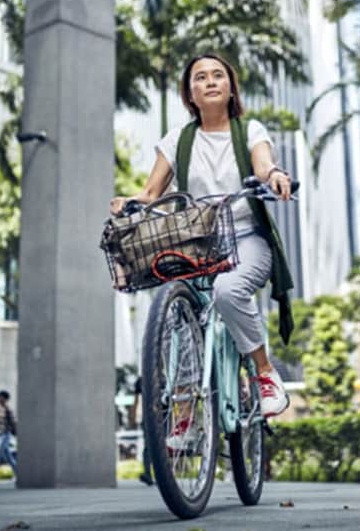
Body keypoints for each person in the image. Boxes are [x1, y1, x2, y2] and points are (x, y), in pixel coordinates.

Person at [110, 53, 296, 435]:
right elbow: (150, 191)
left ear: (230, 88)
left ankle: (264, 372)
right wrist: (128, 202)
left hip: (246, 238)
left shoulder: (251, 131)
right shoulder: (178, 140)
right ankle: (185, 414)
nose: (209, 82)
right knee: (180, 317)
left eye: (217, 76)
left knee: (229, 291)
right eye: (200, 78)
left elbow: (263, 167)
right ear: (190, 94)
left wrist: (274, 175)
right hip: (195, 245)